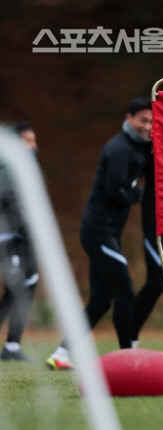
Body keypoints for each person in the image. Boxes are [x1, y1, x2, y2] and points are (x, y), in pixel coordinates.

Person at [46, 97, 152, 370]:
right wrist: (141, 194)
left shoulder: (140, 148)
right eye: (143, 120)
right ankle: (128, 356)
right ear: (128, 118)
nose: (147, 126)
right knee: (126, 291)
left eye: (152, 121)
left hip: (109, 233)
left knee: (101, 300)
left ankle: (61, 354)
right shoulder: (119, 148)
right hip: (98, 232)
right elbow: (114, 190)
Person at [0, 122, 40, 361]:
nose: (33, 146)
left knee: (28, 285)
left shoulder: (28, 169)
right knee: (17, 289)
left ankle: (12, 346)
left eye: (34, 141)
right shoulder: (5, 170)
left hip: (25, 240)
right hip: (7, 240)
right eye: (27, 141)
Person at [129, 144, 163, 350]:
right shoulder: (153, 144)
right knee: (158, 281)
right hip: (156, 222)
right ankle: (129, 334)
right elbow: (127, 178)